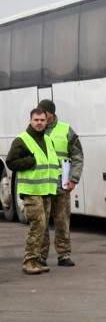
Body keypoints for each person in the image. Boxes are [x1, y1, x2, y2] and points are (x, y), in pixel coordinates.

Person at [5, 108, 59, 275]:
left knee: (43, 227)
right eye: (36, 120)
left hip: (46, 191)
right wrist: (29, 161)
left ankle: (37, 260)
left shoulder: (48, 140)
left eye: (42, 120)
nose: (39, 123)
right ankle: (29, 261)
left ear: (46, 121)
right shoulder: (22, 140)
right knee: (38, 224)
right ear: (30, 120)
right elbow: (11, 162)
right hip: (31, 190)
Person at [39, 99, 83, 267]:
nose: (41, 116)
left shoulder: (65, 130)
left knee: (62, 220)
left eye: (44, 112)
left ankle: (63, 255)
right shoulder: (35, 130)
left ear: (51, 113)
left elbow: (78, 156)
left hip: (61, 184)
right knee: (41, 222)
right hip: (42, 184)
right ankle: (41, 256)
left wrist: (73, 179)